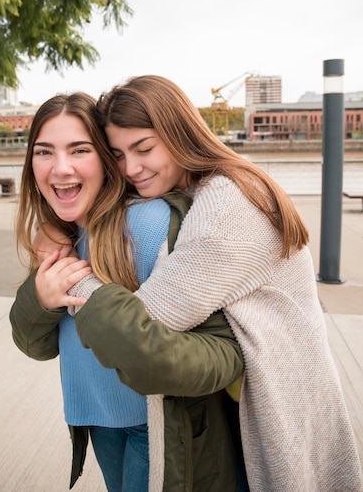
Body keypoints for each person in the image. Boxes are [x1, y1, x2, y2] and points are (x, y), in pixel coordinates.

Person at [66, 75, 363, 492]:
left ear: (179, 132)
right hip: (275, 390)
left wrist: (72, 276)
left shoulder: (225, 210)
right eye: (117, 154)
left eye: (144, 148)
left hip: (278, 407)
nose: (131, 169)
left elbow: (143, 325)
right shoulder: (222, 182)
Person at [9, 92, 245, 492]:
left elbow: (224, 350)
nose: (60, 168)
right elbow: (35, 344)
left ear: (104, 159)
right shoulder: (61, 235)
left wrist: (107, 311)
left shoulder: (149, 223)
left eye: (79, 149)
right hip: (95, 419)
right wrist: (41, 300)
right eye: (44, 152)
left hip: (153, 426)